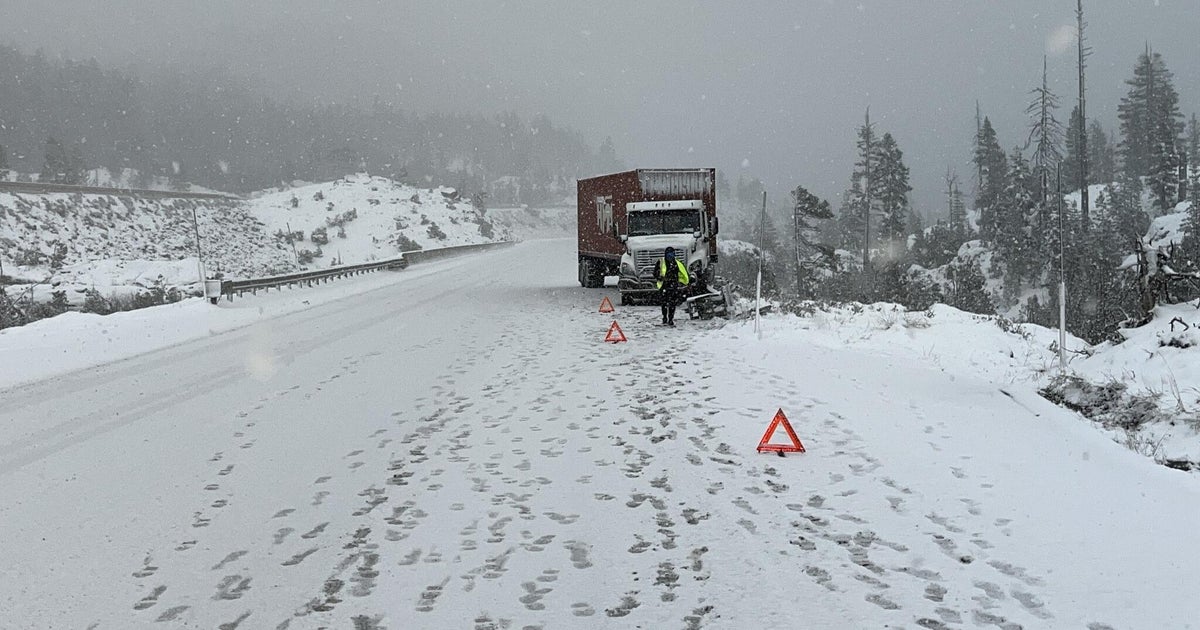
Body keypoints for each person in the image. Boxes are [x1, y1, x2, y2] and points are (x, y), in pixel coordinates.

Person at [654, 246, 690, 326]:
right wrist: (660, 277)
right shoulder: (661, 262)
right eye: (668, 254)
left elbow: (684, 273)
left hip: (673, 286)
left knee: (672, 304)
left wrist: (686, 282)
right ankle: (665, 318)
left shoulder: (677, 263)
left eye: (672, 254)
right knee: (664, 303)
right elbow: (655, 273)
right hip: (664, 286)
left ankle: (670, 319)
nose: (670, 256)